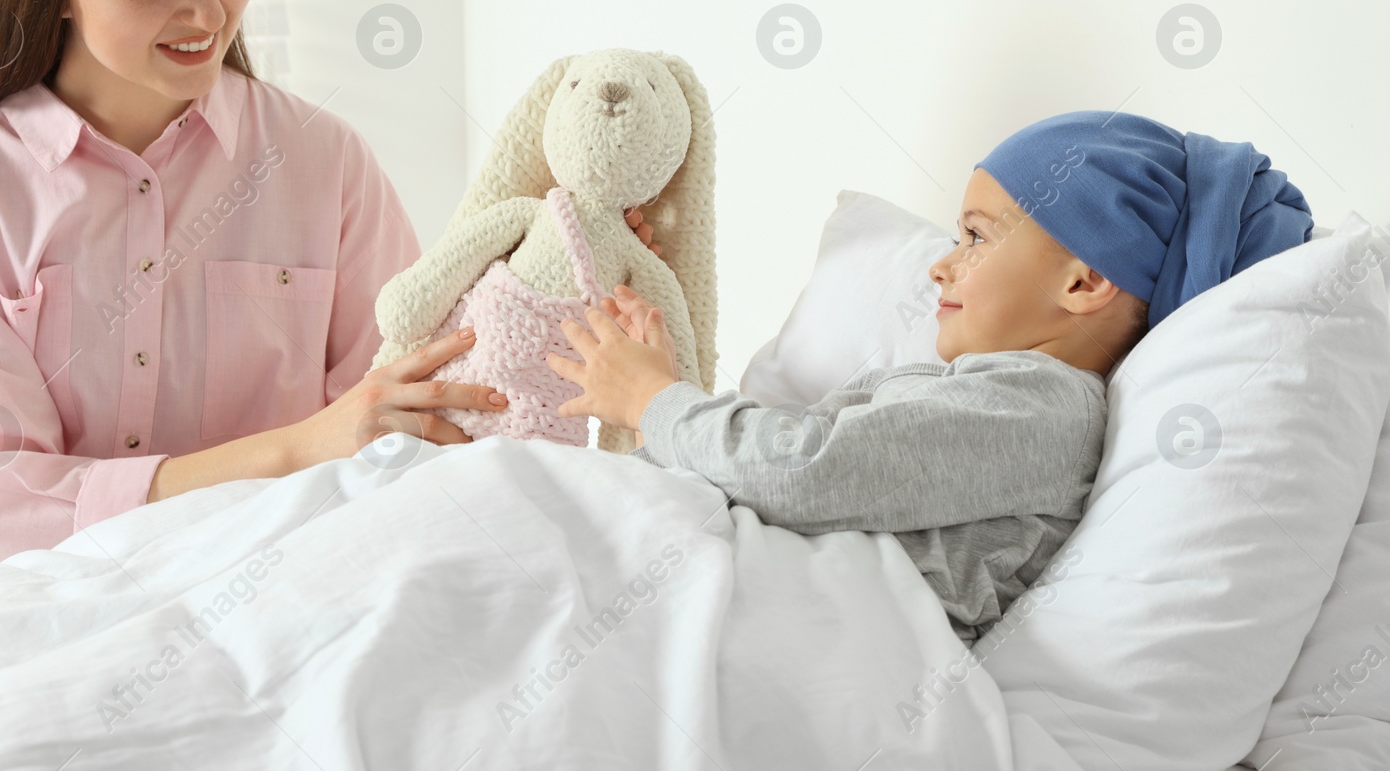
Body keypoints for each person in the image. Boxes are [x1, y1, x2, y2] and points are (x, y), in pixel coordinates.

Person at [0, 0, 655, 567]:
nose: (210, 11)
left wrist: (570, 266)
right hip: (31, 599)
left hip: (290, 588)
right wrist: (301, 447)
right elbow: (13, 509)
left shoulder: (325, 162)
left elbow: (415, 415)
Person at [548, 110, 1314, 644]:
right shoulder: (989, 390)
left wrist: (658, 402)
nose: (939, 262)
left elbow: (809, 470)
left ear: (1084, 282)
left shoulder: (1043, 408)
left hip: (798, 622)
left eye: (976, 236)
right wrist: (668, 405)